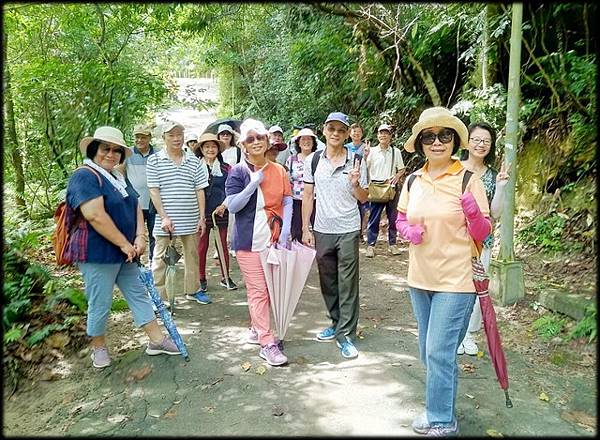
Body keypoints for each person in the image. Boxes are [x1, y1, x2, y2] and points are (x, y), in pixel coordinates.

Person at [396, 107, 491, 436]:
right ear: (421, 143)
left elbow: (484, 232)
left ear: (454, 142)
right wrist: (408, 232)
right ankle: (440, 409)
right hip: (419, 278)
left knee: (438, 350)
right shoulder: (413, 179)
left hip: (457, 280)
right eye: (429, 136)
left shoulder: (468, 179)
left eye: (445, 136)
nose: (437, 142)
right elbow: (400, 218)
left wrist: (474, 214)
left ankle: (442, 419)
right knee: (428, 351)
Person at [67, 126, 180, 369]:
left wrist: (140, 236)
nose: (110, 154)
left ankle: (157, 341)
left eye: (116, 150)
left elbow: (136, 204)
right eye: (105, 149)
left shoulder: (118, 175)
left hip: (127, 251)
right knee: (100, 301)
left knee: (138, 293)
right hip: (97, 253)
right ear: (94, 149)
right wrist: (125, 244)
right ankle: (98, 347)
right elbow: (94, 215)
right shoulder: (84, 176)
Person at [225, 118, 292, 366]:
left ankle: (256, 328)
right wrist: (252, 185)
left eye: (259, 138)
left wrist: (285, 232)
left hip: (273, 240)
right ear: (243, 144)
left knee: (272, 289)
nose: (255, 142)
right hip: (248, 243)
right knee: (259, 291)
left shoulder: (279, 170)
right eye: (250, 139)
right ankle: (267, 342)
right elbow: (232, 205)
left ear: (267, 141)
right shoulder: (238, 172)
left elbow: (287, 200)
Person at [302, 112, 369, 360]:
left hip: (349, 228)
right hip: (322, 229)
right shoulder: (313, 160)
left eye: (341, 130)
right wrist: (305, 229)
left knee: (347, 282)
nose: (336, 134)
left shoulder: (356, 160)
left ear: (347, 133)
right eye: (332, 129)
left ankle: (346, 334)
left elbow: (364, 197)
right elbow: (307, 196)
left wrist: (355, 184)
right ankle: (335, 321)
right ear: (324, 130)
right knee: (328, 281)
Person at [457, 121, 509, 355]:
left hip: (481, 243)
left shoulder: (492, 174)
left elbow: (496, 213)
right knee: (454, 288)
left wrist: (500, 187)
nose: (481, 144)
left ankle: (467, 334)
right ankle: (453, 333)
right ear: (467, 141)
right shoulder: (454, 167)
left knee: (476, 289)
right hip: (453, 240)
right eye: (476, 139)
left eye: (486, 141)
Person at [146, 120, 211, 306]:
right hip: (164, 219)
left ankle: (193, 290)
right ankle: (160, 298)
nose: (176, 139)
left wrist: (202, 218)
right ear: (163, 138)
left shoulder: (194, 161)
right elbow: (154, 190)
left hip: (190, 217)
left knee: (192, 254)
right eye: (171, 135)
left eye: (179, 135)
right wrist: (164, 216)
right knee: (160, 258)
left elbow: (200, 190)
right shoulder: (154, 160)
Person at [192, 133, 238, 292]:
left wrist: (224, 205)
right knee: (202, 245)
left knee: (222, 245)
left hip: (221, 211)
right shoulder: (195, 167)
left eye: (213, 146)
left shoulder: (226, 168)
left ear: (218, 149)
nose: (210, 150)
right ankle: (201, 277)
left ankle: (226, 277)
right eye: (207, 147)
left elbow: (232, 188)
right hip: (201, 212)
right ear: (201, 149)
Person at [365, 123, 406, 257]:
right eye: (381, 133)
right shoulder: (371, 151)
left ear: (390, 137)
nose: (383, 135)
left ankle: (392, 244)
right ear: (377, 135)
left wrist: (397, 176)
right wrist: (365, 156)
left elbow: (401, 169)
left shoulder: (396, 151)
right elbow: (365, 168)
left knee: (392, 217)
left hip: (390, 188)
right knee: (374, 217)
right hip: (376, 188)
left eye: (386, 133)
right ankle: (371, 245)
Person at [122, 124, 159, 262]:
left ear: (149, 138)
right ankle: (136, 263)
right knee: (134, 235)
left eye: (143, 137)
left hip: (153, 202)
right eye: (137, 137)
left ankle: (154, 263)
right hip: (134, 203)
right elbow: (120, 174)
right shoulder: (127, 154)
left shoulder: (158, 154)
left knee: (154, 234)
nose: (139, 140)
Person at [285, 128, 317, 241]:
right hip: (297, 201)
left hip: (316, 200)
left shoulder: (318, 158)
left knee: (319, 231)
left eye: (309, 139)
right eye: (303, 139)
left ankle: (320, 256)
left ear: (313, 142)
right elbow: (288, 180)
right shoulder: (291, 159)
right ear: (298, 142)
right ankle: (298, 257)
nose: (306, 142)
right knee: (296, 232)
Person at [345, 123, 370, 241]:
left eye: (358, 132)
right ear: (349, 134)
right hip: (347, 180)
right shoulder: (345, 147)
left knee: (361, 207)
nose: (356, 134)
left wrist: (366, 156)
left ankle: (359, 232)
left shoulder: (365, 148)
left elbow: (369, 164)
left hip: (361, 179)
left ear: (362, 134)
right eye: (354, 131)